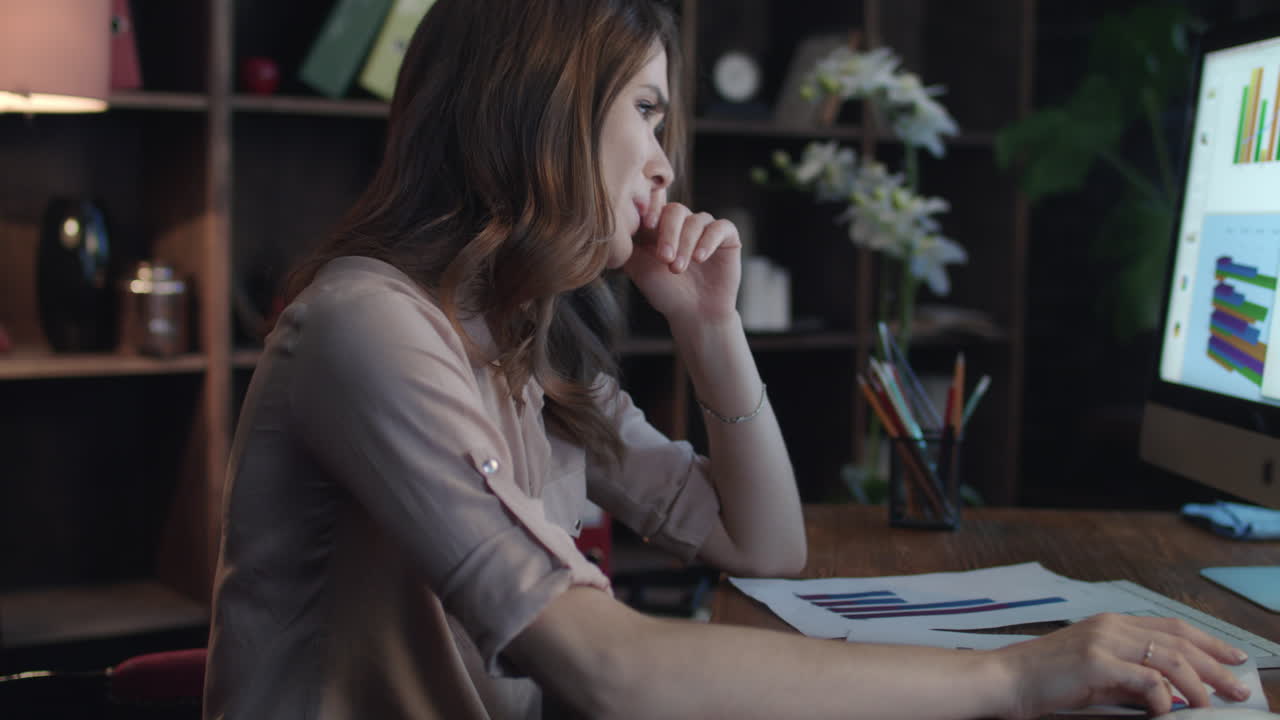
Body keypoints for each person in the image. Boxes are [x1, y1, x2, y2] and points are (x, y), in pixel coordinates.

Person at [203, 1, 1254, 718]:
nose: (666, 161)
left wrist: (710, 329)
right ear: (539, 112)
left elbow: (764, 546)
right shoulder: (367, 327)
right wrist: (1014, 676)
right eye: (645, 113)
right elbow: (604, 668)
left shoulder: (525, 337)